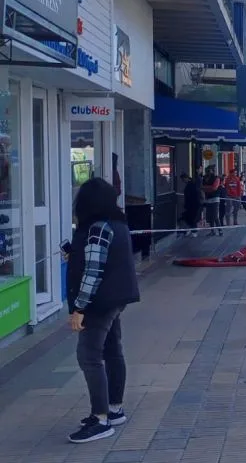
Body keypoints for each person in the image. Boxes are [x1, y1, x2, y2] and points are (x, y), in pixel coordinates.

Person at [65, 178, 140, 443]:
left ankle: (100, 419)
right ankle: (114, 408)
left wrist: (79, 308)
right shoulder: (117, 224)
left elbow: (93, 273)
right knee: (111, 350)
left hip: (98, 303)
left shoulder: (97, 228)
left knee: (89, 356)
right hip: (116, 298)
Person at [202, 166, 222, 236]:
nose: (208, 172)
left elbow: (214, 188)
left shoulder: (216, 178)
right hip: (208, 199)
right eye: (207, 170)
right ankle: (212, 231)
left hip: (215, 199)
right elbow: (202, 187)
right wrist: (208, 188)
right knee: (210, 217)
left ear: (212, 171)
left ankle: (220, 230)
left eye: (209, 170)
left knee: (215, 216)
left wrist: (206, 188)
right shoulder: (204, 178)